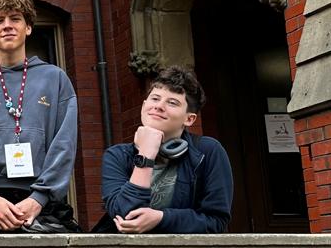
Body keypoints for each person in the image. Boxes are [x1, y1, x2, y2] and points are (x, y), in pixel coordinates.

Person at [0, 0, 78, 234]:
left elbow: (64, 145)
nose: (7, 26)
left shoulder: (55, 79)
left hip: (43, 202)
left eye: (15, 19)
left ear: (29, 28)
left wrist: (38, 199)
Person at [98, 66, 233, 233]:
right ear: (144, 106)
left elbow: (215, 221)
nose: (159, 106)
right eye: (155, 98)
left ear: (189, 119)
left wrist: (161, 218)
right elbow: (125, 215)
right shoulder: (117, 156)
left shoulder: (209, 152)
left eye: (172, 102)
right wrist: (145, 155)